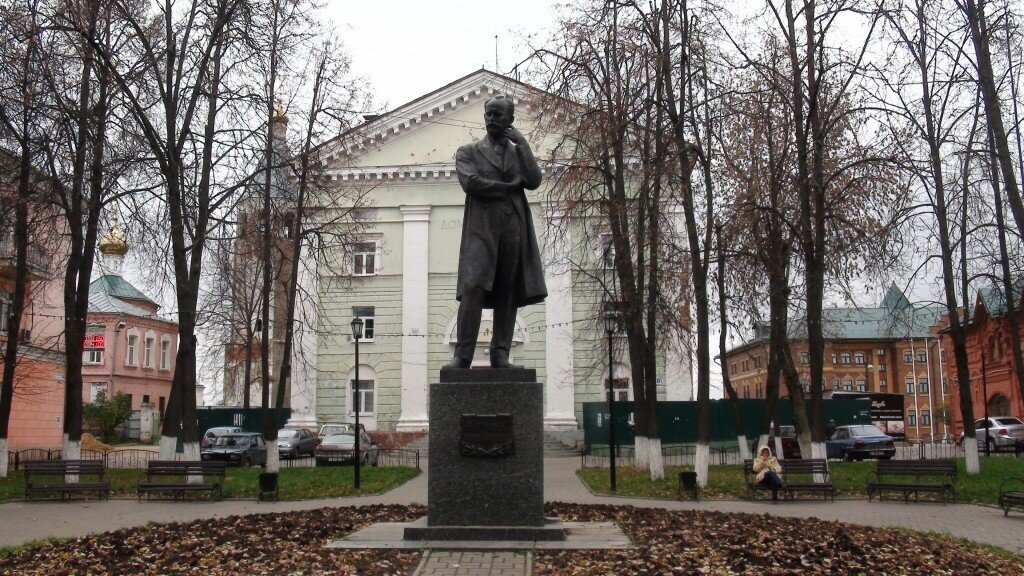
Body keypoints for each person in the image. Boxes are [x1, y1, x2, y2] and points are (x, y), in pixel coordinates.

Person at [445, 95, 547, 369]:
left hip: (513, 227)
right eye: (489, 114)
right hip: (481, 229)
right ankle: (463, 355)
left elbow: (534, 180)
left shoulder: (517, 154)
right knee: (473, 286)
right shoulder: (469, 152)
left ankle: (500, 354)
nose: (492, 119)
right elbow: (471, 182)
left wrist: (523, 143)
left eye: (498, 115)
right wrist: (508, 186)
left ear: (510, 120)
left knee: (507, 290)